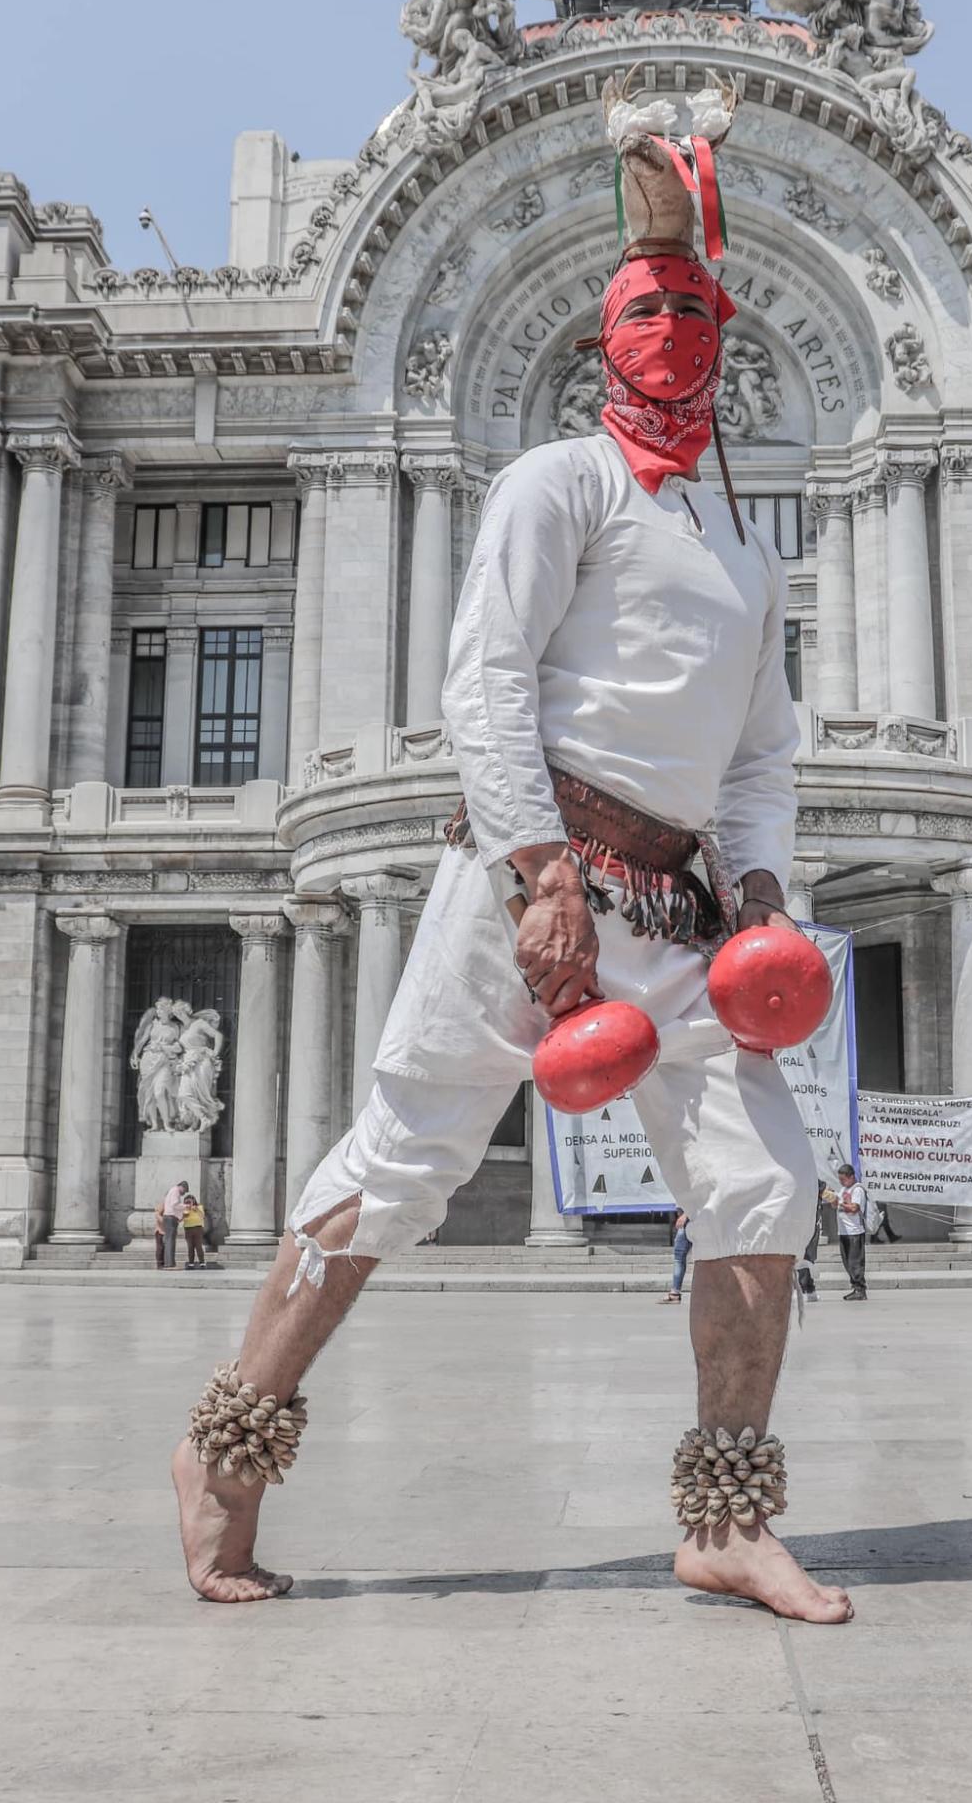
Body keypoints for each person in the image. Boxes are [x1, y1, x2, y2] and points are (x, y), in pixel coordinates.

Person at [170, 87, 853, 1628]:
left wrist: (755, 896)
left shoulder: (749, 547)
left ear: (723, 337)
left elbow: (758, 755)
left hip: (681, 913)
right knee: (403, 1166)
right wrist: (538, 871)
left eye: (690, 308)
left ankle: (725, 1518)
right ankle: (224, 1454)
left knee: (765, 1189)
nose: (667, 327)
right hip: (526, 888)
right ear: (603, 336)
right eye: (643, 306)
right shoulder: (556, 484)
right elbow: (485, 681)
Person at [833, 1164, 868, 1300]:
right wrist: (834, 1201)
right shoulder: (843, 1189)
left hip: (854, 1232)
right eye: (840, 1179)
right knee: (847, 1262)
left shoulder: (857, 1189)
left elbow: (854, 1208)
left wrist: (840, 1203)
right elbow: (837, 1205)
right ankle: (855, 1287)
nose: (841, 1182)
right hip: (843, 1231)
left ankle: (860, 1289)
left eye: (843, 1179)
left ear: (851, 1177)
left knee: (855, 1262)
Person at [795, 1188, 823, 1302]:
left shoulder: (810, 1200)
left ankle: (807, 1289)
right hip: (805, 1228)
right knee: (805, 1259)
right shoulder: (809, 1199)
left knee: (806, 1259)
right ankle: (807, 1289)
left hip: (808, 1229)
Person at [155, 1179, 188, 1271]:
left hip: (169, 1218)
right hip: (170, 1218)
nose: (183, 1194)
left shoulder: (172, 1191)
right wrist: (185, 1206)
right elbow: (175, 1204)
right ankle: (169, 1264)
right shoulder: (176, 1191)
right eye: (184, 1191)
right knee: (170, 1241)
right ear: (182, 1187)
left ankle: (169, 1263)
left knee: (169, 1240)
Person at [663, 1210, 691, 1303]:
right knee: (679, 1256)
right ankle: (675, 1292)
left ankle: (675, 1293)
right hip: (690, 1219)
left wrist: (685, 1215)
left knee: (679, 1256)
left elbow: (699, 1199)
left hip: (692, 1220)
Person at [180, 1192, 208, 1271]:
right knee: (190, 1247)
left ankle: (202, 1263)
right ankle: (191, 1263)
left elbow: (203, 1216)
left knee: (198, 1246)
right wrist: (183, 1214)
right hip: (188, 1229)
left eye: (189, 1202)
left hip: (198, 1228)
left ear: (193, 1201)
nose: (188, 1204)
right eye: (186, 1202)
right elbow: (180, 1219)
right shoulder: (184, 1209)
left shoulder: (199, 1207)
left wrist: (196, 1209)